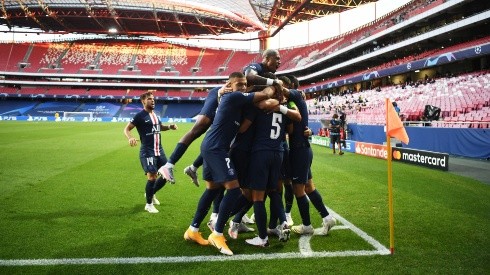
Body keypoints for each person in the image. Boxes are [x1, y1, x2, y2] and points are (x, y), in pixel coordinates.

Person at [183, 72, 279, 256]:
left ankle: (192, 230)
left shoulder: (235, 100)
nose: (243, 87)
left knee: (212, 190)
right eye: (240, 84)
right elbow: (266, 95)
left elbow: (247, 120)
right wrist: (275, 85)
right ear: (230, 85)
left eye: (245, 85)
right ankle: (217, 234)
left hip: (212, 147)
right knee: (234, 189)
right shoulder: (233, 96)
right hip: (216, 148)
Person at [286, 80, 337, 236]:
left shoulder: (293, 99)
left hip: (299, 152)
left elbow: (291, 127)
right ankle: (327, 218)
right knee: (309, 187)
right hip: (303, 150)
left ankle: (307, 226)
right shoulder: (296, 100)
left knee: (298, 189)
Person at [123, 91, 178, 213]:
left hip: (160, 150)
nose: (152, 100)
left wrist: (170, 127)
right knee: (152, 176)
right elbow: (126, 129)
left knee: (166, 174)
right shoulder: (139, 116)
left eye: (153, 99)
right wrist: (130, 137)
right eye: (149, 99)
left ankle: (151, 193)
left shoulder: (156, 115)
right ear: (143, 101)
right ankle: (148, 204)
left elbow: (160, 127)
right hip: (148, 151)